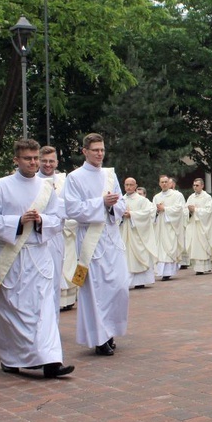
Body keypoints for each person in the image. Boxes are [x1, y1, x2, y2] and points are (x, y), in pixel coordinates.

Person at [0, 138, 74, 378]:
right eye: (28, 158)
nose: (33, 163)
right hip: (10, 258)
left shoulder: (46, 188)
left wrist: (42, 220)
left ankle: (51, 360)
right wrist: (17, 221)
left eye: (36, 158)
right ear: (16, 160)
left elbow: (57, 218)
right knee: (10, 310)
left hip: (38, 255)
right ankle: (11, 358)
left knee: (44, 309)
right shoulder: (1, 185)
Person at [64, 133, 129, 357]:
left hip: (111, 236)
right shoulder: (74, 178)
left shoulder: (110, 175)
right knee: (96, 290)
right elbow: (72, 209)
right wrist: (101, 202)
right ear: (85, 151)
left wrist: (113, 206)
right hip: (90, 239)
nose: (100, 154)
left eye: (102, 149)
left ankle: (110, 330)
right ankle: (100, 338)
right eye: (95, 150)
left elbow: (121, 202)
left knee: (119, 287)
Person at [37, 145, 76, 312]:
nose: (47, 164)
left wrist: (52, 200)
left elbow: (70, 207)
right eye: (44, 161)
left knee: (54, 280)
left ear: (56, 162)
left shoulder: (64, 182)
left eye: (51, 161)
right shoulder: (32, 180)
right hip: (35, 236)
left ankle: (52, 323)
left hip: (56, 237)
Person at [121, 177, 158, 289]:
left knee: (139, 256)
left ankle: (141, 280)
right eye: (126, 185)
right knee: (126, 257)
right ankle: (126, 281)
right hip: (124, 234)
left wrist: (132, 214)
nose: (128, 187)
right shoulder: (120, 200)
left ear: (135, 186)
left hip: (138, 234)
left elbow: (148, 213)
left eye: (131, 185)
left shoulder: (142, 200)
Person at [152, 175, 186, 281]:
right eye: (162, 182)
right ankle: (162, 272)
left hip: (171, 226)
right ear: (159, 183)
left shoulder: (177, 195)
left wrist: (165, 208)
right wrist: (157, 210)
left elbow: (179, 209)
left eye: (166, 182)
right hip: (160, 227)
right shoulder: (156, 197)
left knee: (170, 247)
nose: (164, 184)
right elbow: (152, 211)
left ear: (170, 183)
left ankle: (168, 272)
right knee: (161, 249)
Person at [185, 178, 212, 274]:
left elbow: (208, 211)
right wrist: (189, 211)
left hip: (203, 226)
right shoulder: (191, 197)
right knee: (196, 246)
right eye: (194, 185)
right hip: (194, 225)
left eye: (197, 185)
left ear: (202, 186)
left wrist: (195, 210)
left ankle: (206, 266)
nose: (195, 187)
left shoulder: (207, 197)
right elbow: (185, 210)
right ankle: (198, 268)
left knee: (203, 245)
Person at [170, 177, 190, 269]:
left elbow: (183, 208)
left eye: (168, 183)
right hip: (167, 222)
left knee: (179, 241)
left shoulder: (178, 195)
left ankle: (183, 262)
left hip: (178, 222)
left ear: (173, 184)